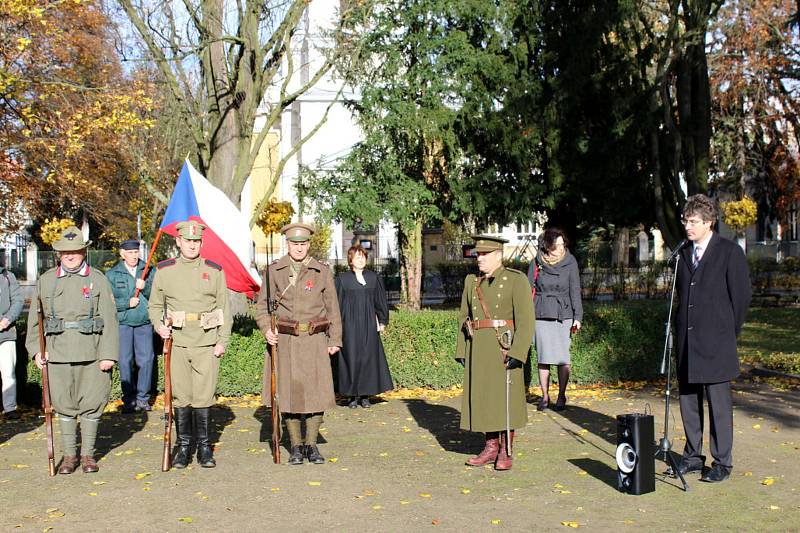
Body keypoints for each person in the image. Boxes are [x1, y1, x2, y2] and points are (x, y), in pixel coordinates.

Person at [26, 226, 119, 474]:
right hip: (57, 353)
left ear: (83, 252)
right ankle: (69, 457)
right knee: (63, 405)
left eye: (75, 251)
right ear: (58, 254)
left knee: (91, 403)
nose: (70, 256)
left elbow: (110, 320)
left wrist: (108, 354)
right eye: (65, 252)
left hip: (92, 351)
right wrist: (36, 350)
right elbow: (35, 321)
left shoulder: (97, 279)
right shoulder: (46, 281)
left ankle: (88, 455)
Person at [672, 194, 751, 483]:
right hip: (687, 343)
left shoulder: (729, 252)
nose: (687, 227)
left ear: (709, 223)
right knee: (689, 403)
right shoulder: (682, 253)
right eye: (685, 221)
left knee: (719, 406)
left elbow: (741, 298)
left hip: (717, 343)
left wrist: (728, 332)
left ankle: (722, 462)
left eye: (693, 222)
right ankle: (692, 456)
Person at [256, 222, 342, 465]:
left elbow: (332, 307)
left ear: (309, 244)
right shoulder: (274, 271)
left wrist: (335, 339)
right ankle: (295, 446)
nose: (299, 248)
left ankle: (312, 445)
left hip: (315, 340)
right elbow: (262, 307)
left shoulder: (321, 271)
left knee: (316, 394)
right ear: (288, 244)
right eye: (295, 244)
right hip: (285, 341)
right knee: (289, 395)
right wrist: (267, 329)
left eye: (303, 244)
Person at [149, 221, 231, 469]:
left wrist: (222, 340)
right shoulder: (165, 271)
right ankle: (184, 446)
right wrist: (158, 325)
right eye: (187, 241)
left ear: (201, 243)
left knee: (204, 397)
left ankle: (205, 447)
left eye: (196, 241)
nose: (192, 245)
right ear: (179, 242)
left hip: (206, 343)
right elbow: (154, 306)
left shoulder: (214, 271)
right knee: (182, 397)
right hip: (178, 343)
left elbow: (223, 308)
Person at [455, 235, 534, 471]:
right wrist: (462, 350)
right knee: (484, 399)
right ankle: (490, 447)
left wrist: (518, 352)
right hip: (479, 347)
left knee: (505, 400)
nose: (479, 259)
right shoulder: (472, 282)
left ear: (498, 256)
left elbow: (526, 321)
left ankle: (506, 451)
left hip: (504, 347)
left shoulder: (515, 280)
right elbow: (464, 317)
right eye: (478, 254)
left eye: (484, 255)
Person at [526, 228, 583, 411]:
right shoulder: (536, 262)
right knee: (543, 358)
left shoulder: (570, 261)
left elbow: (575, 290)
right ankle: (544, 396)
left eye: (562, 244)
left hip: (563, 314)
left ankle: (561, 396)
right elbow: (528, 289)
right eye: (556, 245)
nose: (561, 248)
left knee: (562, 358)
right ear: (547, 247)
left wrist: (577, 316)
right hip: (541, 312)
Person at [334, 244, 393, 408]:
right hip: (349, 326)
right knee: (351, 359)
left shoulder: (374, 278)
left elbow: (380, 301)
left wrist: (382, 321)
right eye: (357, 256)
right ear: (350, 260)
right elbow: (335, 305)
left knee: (368, 358)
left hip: (368, 324)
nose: (361, 259)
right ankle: (352, 397)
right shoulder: (342, 279)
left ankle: (365, 396)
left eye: (363, 256)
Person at [106, 239, 155, 413]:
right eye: (130, 252)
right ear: (122, 254)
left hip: (143, 322)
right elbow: (108, 302)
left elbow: (156, 295)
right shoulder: (112, 274)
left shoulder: (148, 270)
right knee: (125, 361)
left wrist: (145, 287)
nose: (134, 256)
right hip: (123, 323)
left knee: (146, 360)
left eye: (136, 252)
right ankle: (129, 400)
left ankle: (142, 398)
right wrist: (126, 303)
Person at [1, 259, 24, 420]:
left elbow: (18, 301)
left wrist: (6, 321)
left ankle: (10, 408)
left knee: (8, 372)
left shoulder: (8, 276)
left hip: (5, 333)